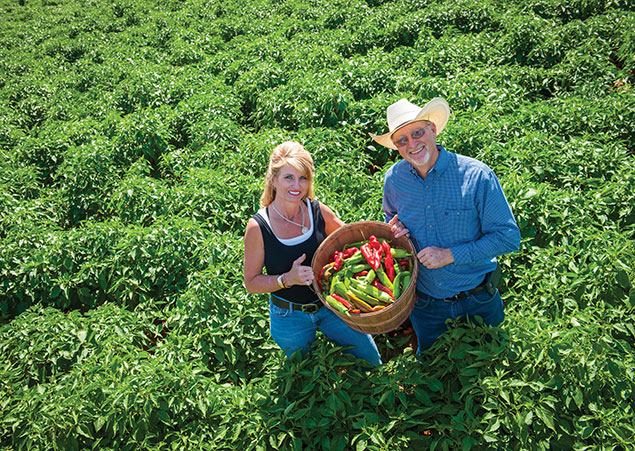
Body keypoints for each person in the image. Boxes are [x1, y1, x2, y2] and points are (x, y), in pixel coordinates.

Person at [369, 98, 521, 352]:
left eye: (417, 133)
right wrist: (395, 232)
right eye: (402, 140)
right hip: (426, 303)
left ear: (433, 130)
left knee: (491, 358)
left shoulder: (476, 176)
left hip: (478, 298)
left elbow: (507, 238)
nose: (412, 144)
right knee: (431, 365)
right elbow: (391, 219)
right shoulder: (394, 180)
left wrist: (449, 255)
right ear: (396, 147)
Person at [243, 141, 382, 367]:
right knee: (304, 372)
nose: (296, 185)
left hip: (331, 305)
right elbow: (251, 283)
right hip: (289, 316)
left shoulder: (316, 210)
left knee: (370, 360)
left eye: (303, 178)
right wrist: (287, 279)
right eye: (288, 177)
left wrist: (389, 233)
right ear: (273, 179)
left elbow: (353, 238)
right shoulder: (259, 227)